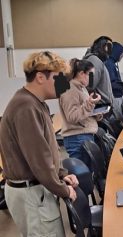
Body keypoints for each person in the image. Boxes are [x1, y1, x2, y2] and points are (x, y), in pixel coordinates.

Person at [0, 51, 78, 236]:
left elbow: (45, 149)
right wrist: (63, 189)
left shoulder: (35, 103)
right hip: (31, 193)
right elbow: (40, 161)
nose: (64, 85)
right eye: (58, 78)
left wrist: (61, 175)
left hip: (37, 188)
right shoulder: (26, 107)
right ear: (41, 77)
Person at [59, 58, 102, 164]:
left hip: (82, 135)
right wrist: (89, 104)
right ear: (82, 73)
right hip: (77, 138)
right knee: (82, 176)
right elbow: (72, 116)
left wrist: (96, 112)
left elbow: (83, 111)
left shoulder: (81, 88)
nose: (92, 79)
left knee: (88, 172)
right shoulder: (70, 89)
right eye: (90, 75)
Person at [84, 36, 123, 119]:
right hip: (100, 108)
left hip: (102, 107)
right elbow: (90, 85)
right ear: (102, 47)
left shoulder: (97, 60)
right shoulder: (94, 60)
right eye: (109, 47)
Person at [105, 41, 123, 115]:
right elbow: (112, 84)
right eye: (121, 54)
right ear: (116, 53)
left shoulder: (113, 63)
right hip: (114, 97)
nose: (122, 56)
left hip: (118, 96)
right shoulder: (109, 64)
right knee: (119, 119)